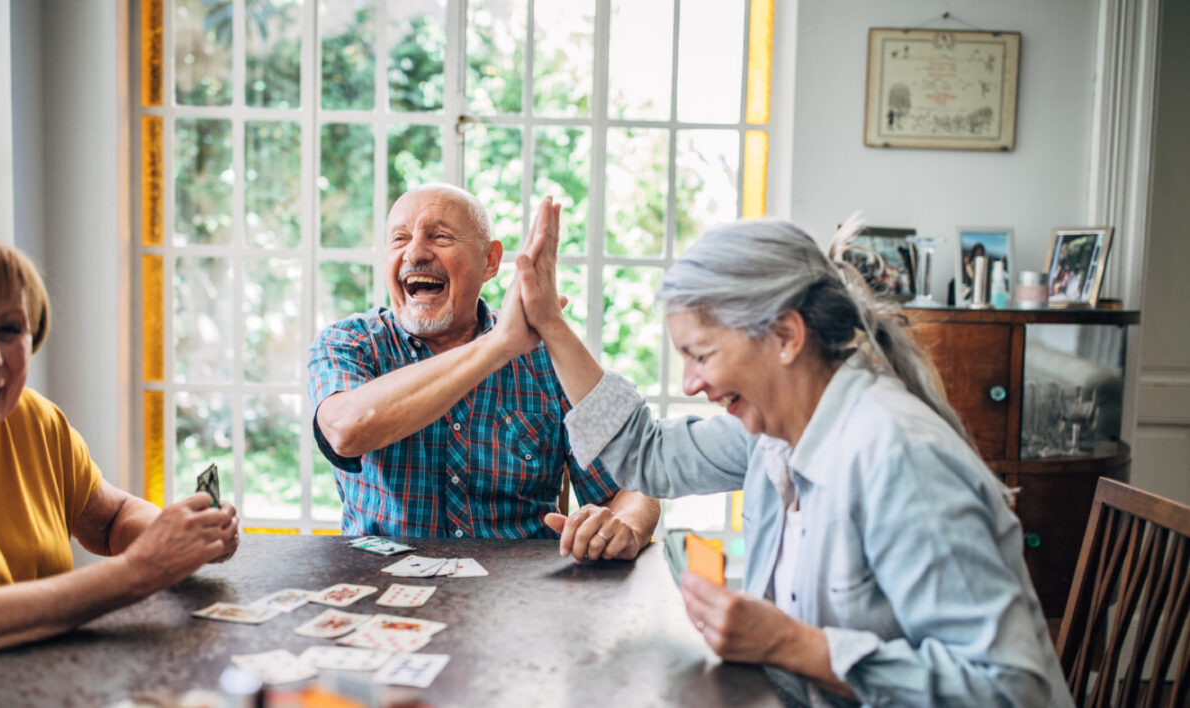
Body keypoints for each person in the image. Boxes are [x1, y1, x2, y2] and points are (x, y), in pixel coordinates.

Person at [511, 215, 1073, 705]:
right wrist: (550, 326)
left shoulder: (900, 458)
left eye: (701, 355)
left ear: (785, 335)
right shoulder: (773, 432)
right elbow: (647, 454)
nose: (689, 383)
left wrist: (789, 644)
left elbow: (1008, 690)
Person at [0, 229, 239, 666]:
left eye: (8, 330)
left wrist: (177, 539)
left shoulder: (32, 418)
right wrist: (140, 571)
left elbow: (111, 520)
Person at [307, 184, 658, 561]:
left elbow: (632, 485)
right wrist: (498, 345)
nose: (415, 252)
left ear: (490, 262)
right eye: (399, 238)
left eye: (439, 236)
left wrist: (626, 526)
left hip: (517, 598)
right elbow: (346, 431)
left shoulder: (549, 360)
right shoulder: (349, 342)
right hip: (381, 591)